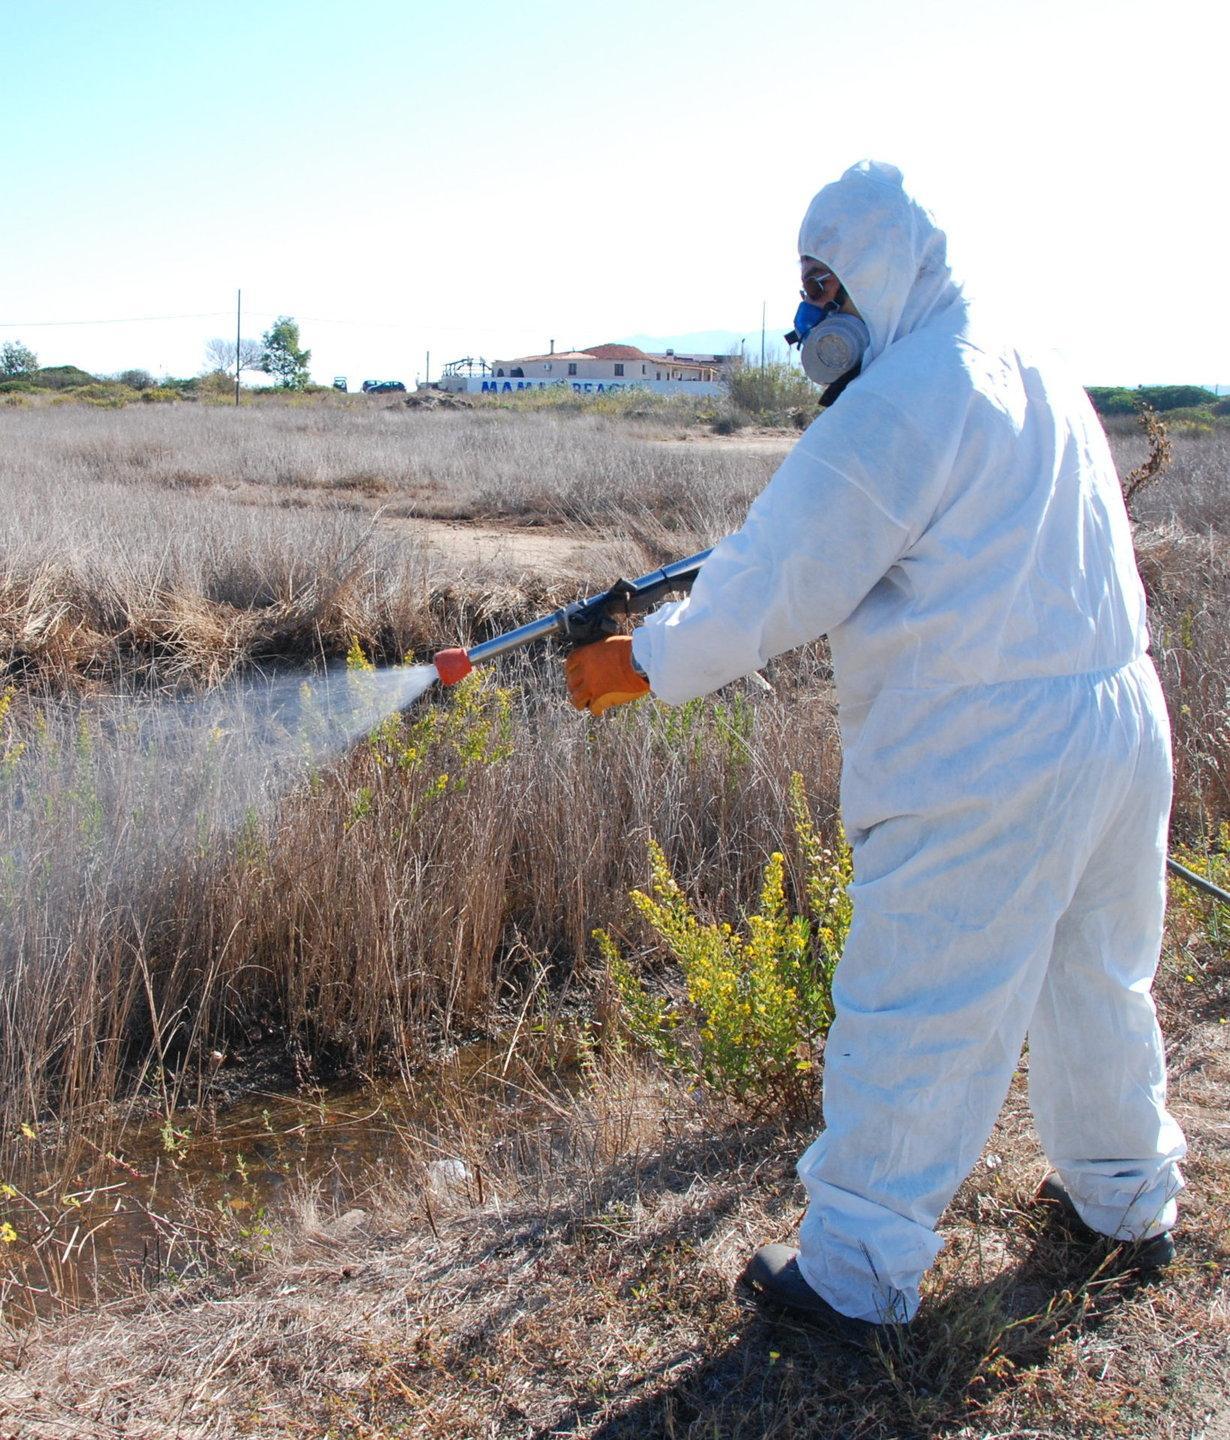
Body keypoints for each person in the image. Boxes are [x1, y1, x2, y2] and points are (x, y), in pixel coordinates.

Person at [563, 160, 1186, 1339]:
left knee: (919, 1005)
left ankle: (851, 1273)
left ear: (888, 272)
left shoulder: (911, 393)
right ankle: (1127, 1205)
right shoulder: (1029, 363)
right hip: (1116, 725)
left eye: (826, 283)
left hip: (987, 748)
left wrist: (640, 661)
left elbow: (771, 585)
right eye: (805, 285)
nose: (810, 315)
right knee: (1097, 981)